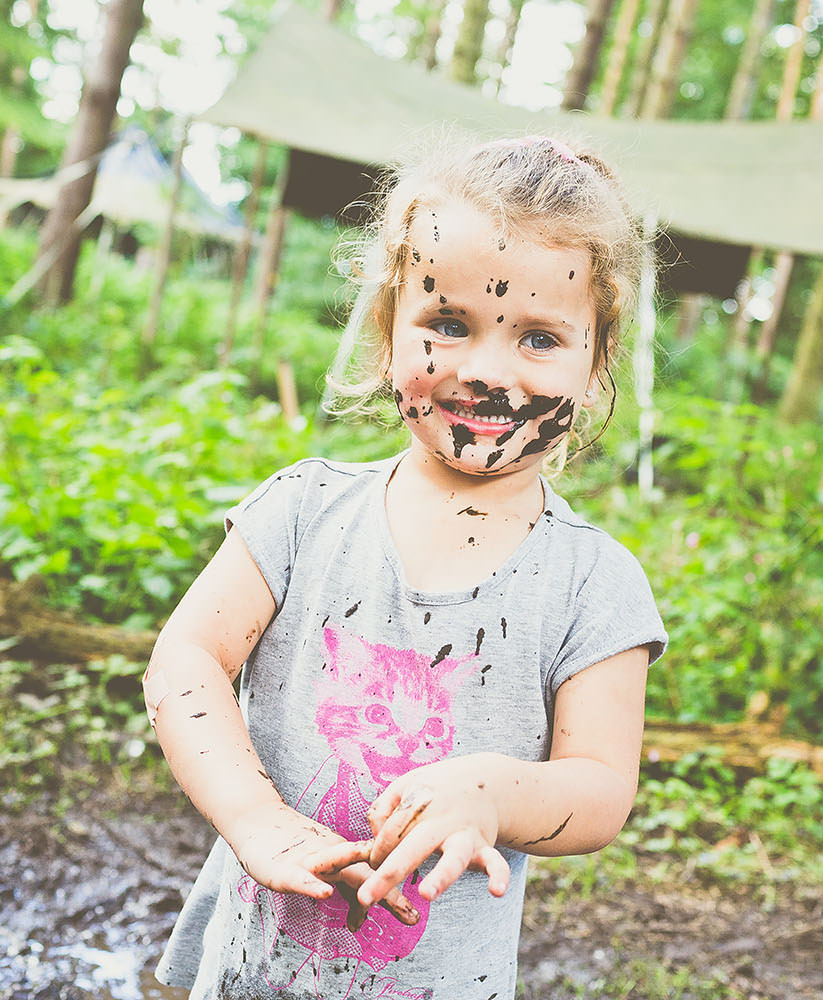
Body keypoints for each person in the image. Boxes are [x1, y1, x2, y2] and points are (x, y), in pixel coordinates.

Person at [143, 133, 667, 1000]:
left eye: (539, 337)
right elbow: (186, 660)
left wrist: (496, 796)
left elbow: (602, 788)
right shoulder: (303, 512)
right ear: (390, 334)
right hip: (253, 967)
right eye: (449, 323)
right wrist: (258, 820)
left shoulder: (594, 585)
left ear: (596, 362)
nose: (486, 371)